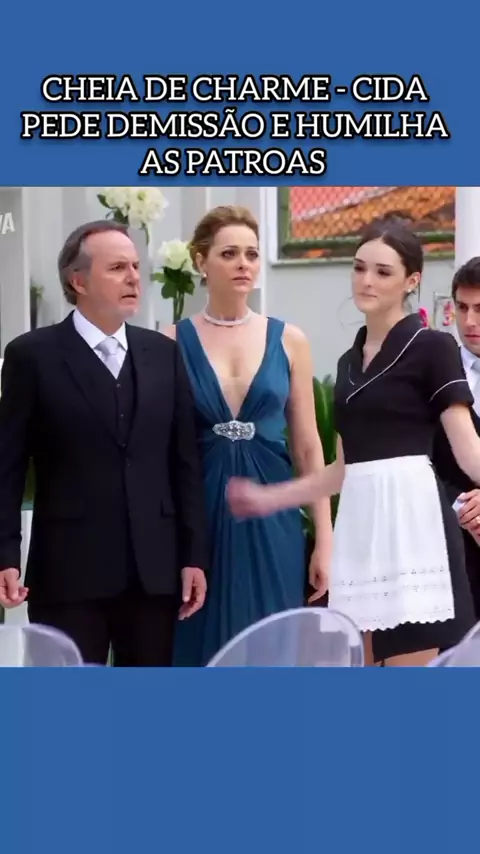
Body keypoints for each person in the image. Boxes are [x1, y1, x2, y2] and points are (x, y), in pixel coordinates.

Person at [228, 217, 479, 666]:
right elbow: (344, 469)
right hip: (361, 527)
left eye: (383, 271)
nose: (366, 280)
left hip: (412, 526)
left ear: (411, 281)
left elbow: (467, 448)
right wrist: (271, 497)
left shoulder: (433, 347)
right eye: (360, 267)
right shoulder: (348, 363)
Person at [0, 220, 207, 666]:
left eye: (135, 266)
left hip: (153, 572)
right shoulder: (31, 356)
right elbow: (7, 466)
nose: (134, 278)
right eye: (117, 268)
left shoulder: (163, 353)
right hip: (68, 572)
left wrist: (194, 556)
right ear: (78, 281)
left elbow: (185, 462)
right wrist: (5, 555)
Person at [162, 204, 332, 666]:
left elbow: (308, 446)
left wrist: (324, 537)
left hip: (273, 513)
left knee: (274, 644)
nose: (243, 264)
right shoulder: (170, 341)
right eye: (229, 253)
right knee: (198, 645)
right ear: (201, 261)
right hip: (200, 517)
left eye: (252, 254)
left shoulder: (290, 340)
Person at [432, 257, 480, 623]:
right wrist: (463, 508)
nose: (469, 321)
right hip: (451, 550)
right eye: (462, 308)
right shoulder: (433, 373)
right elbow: (421, 458)